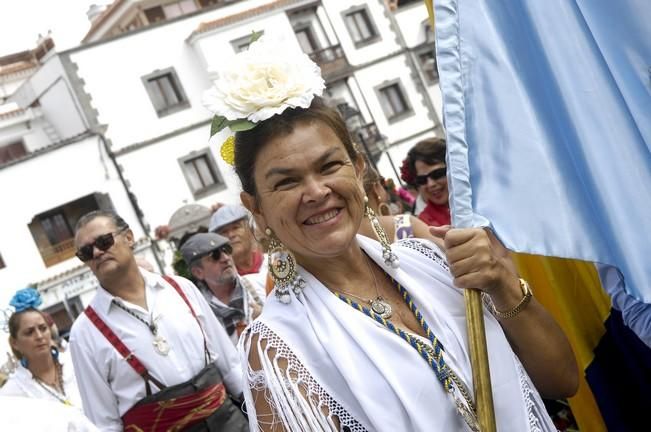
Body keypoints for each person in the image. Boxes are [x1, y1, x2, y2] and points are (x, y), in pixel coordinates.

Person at [202, 36, 578, 431]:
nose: (315, 192)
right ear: (255, 206)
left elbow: (561, 380)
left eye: (329, 166)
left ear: (358, 168)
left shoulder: (434, 261)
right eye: (286, 182)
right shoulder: (280, 348)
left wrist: (503, 283)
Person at [69, 210, 247, 431]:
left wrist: (261, 411)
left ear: (129, 237)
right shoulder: (84, 333)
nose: (96, 252)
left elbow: (231, 366)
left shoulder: (181, 288)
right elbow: (103, 423)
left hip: (229, 424)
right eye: (86, 252)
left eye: (104, 241)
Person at [1, 288, 83, 410]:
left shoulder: (77, 363)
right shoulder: (13, 394)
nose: (39, 336)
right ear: (15, 343)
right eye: (29, 332)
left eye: (43, 328)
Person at [181, 232, 265, 345]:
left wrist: (268, 319)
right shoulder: (199, 317)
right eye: (215, 256)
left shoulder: (261, 284)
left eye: (227, 250)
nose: (225, 258)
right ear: (198, 272)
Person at [209, 204, 268, 293]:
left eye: (236, 227)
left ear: (250, 230)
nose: (231, 235)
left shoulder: (275, 262)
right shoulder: (224, 286)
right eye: (223, 232)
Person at [404, 137, 451, 226]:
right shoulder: (422, 225)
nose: (431, 184)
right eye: (422, 180)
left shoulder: (481, 196)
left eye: (437, 174)